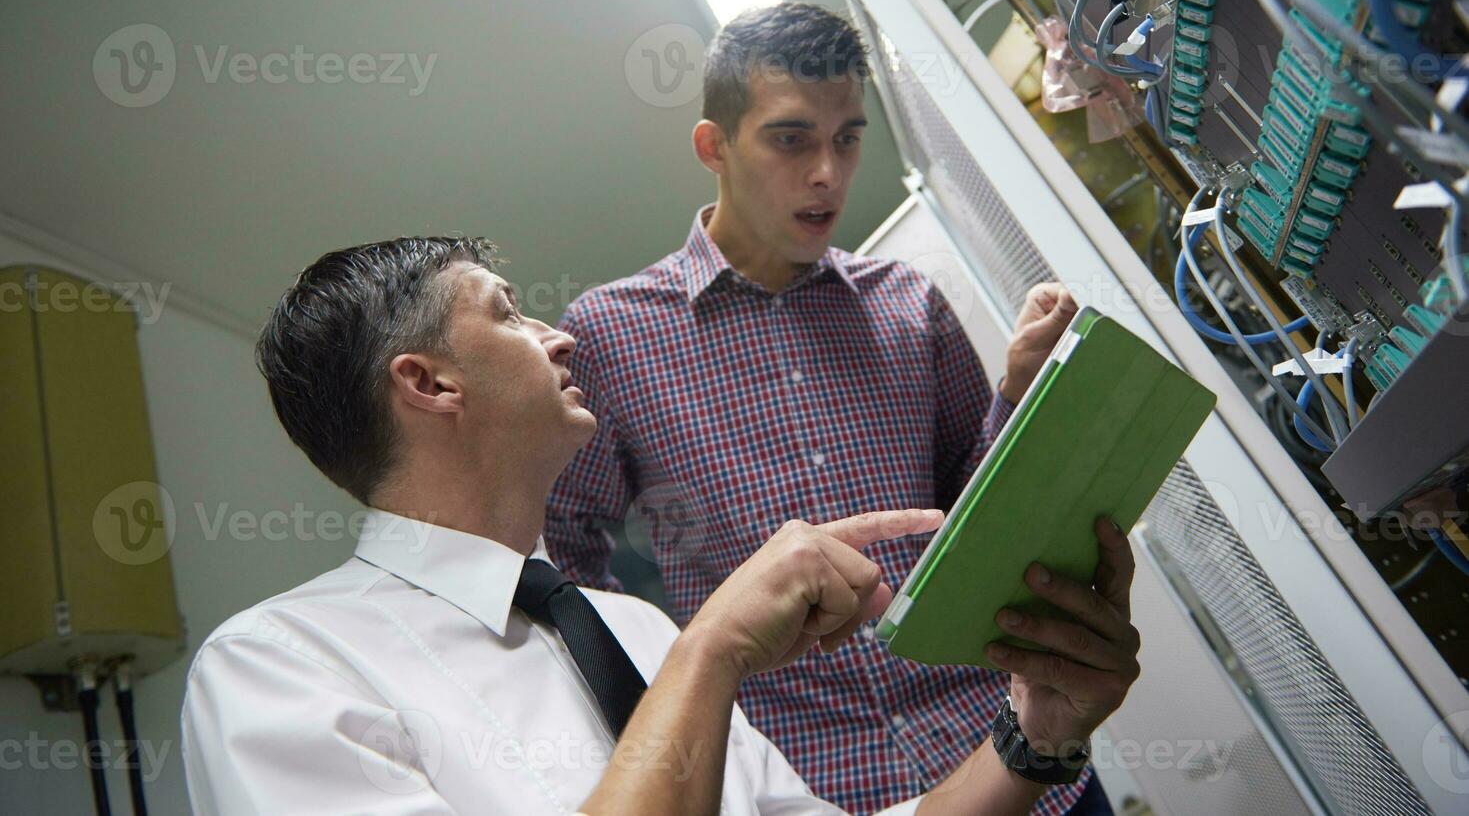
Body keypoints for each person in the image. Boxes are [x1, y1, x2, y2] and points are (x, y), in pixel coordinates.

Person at [181, 237, 1141, 815]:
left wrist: (1035, 734)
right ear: (429, 384)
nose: (558, 336)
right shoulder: (279, 663)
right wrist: (715, 647)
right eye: (508, 315)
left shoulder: (636, 633)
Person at [545, 2, 1095, 814]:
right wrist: (670, 706)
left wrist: (1018, 391)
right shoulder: (608, 333)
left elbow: (976, 514)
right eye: (791, 138)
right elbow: (563, 556)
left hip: (1013, 755)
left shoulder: (909, 303)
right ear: (714, 147)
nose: (828, 174)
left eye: (847, 138)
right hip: (811, 786)